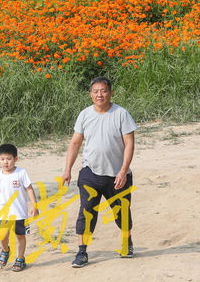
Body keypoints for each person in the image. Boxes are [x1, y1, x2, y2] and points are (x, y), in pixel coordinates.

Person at [61, 76, 137, 268]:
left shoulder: (121, 114)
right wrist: (68, 169)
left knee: (122, 213)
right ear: (90, 94)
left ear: (110, 93)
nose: (99, 94)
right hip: (91, 173)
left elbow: (129, 143)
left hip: (118, 176)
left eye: (103, 91)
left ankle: (126, 242)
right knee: (86, 212)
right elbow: (75, 143)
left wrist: (122, 171)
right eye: (95, 91)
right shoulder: (85, 114)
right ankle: (82, 252)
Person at [0, 143, 38, 272]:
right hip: (4, 213)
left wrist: (35, 205)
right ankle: (5, 250)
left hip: (20, 213)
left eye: (9, 159)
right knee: (3, 235)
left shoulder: (21, 173)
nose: (6, 162)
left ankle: (21, 258)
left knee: (20, 236)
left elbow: (29, 189)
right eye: (2, 159)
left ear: (15, 159)